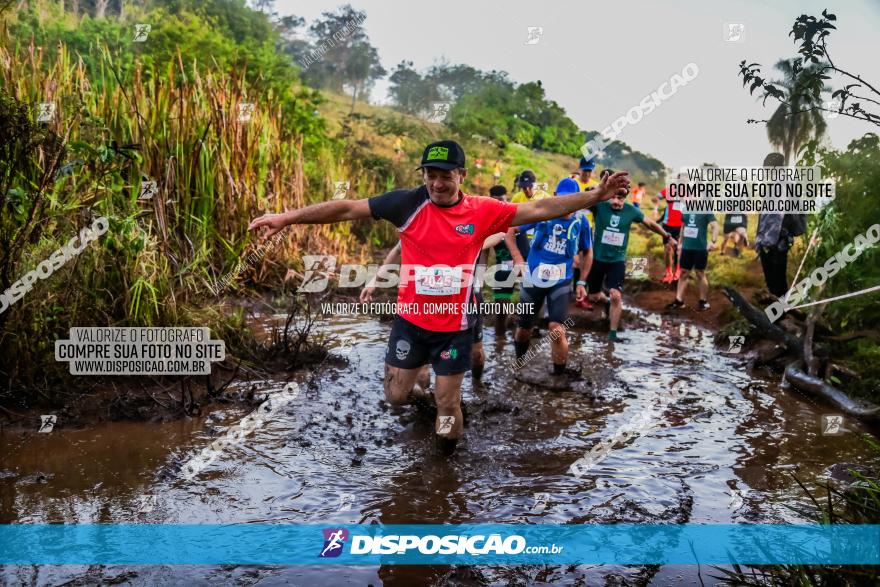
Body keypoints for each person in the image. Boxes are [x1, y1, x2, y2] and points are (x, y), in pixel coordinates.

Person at [249, 140, 630, 454]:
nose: (437, 183)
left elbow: (542, 207)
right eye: (430, 175)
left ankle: (445, 460)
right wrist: (287, 217)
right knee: (397, 396)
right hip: (411, 324)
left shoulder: (482, 211)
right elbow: (348, 207)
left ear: (461, 176)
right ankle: (422, 398)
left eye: (445, 175)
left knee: (447, 405)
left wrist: (596, 195)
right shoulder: (406, 203)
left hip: (455, 329)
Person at [511, 178, 592, 376]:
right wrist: (518, 258)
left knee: (556, 330)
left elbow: (588, 252)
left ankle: (558, 378)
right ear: (555, 197)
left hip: (561, 280)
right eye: (563, 200)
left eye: (571, 200)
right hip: (534, 278)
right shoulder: (542, 213)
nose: (566, 206)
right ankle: (519, 365)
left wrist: (581, 281)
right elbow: (510, 230)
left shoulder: (581, 222)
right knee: (523, 330)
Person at [586, 180, 676, 341]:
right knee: (593, 296)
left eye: (620, 199)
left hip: (617, 260)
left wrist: (667, 236)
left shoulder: (631, 210)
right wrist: (596, 191)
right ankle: (606, 302)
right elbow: (582, 201)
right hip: (598, 258)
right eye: (613, 197)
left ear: (626, 198)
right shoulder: (600, 206)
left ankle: (612, 334)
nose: (616, 202)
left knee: (616, 295)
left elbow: (650, 224)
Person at [755, 153, 806, 298]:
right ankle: (777, 313)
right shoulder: (780, 184)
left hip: (777, 240)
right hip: (775, 239)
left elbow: (777, 216)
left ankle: (779, 315)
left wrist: (766, 241)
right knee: (775, 281)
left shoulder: (784, 185)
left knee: (777, 282)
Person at [666, 212, 718, 311]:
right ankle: (679, 301)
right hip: (686, 248)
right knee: (683, 273)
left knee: (699, 272)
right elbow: (683, 227)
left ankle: (703, 301)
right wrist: (680, 243)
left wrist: (713, 241)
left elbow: (715, 226)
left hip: (701, 248)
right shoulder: (686, 210)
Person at [488, 185, 517, 335]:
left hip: (524, 266)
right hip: (503, 269)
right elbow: (483, 253)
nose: (499, 204)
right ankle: (499, 341)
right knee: (501, 310)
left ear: (507, 199)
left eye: (502, 200)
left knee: (530, 311)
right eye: (495, 201)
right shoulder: (488, 222)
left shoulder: (517, 215)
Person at [657, 183, 684, 283]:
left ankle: (678, 271)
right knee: (668, 249)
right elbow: (657, 197)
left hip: (681, 225)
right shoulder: (669, 190)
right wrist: (658, 201)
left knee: (679, 249)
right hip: (667, 224)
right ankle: (668, 272)